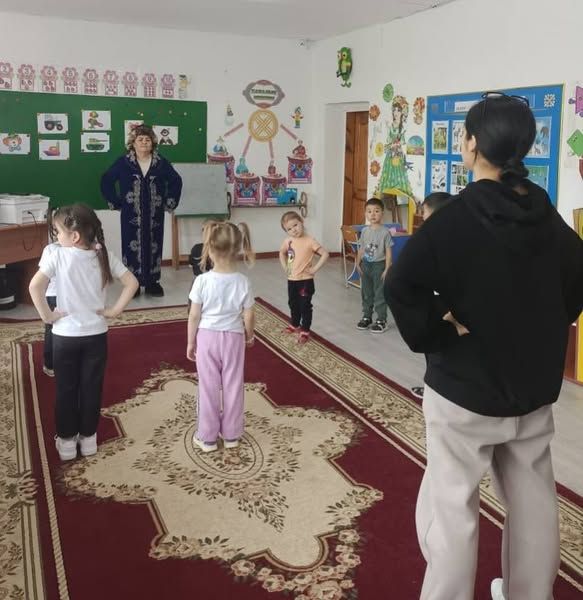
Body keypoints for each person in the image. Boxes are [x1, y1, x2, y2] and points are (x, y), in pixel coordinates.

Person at [385, 92, 583, 600]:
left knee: (452, 506)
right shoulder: (547, 217)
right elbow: (575, 281)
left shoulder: (453, 218)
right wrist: (542, 327)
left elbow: (400, 284)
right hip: (531, 388)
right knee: (534, 501)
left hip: (464, 389)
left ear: (471, 145)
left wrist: (438, 332)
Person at [29, 204, 138, 461]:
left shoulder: (56, 255)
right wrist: (114, 311)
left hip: (64, 337)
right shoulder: (102, 254)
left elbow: (35, 287)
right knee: (91, 388)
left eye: (58, 232)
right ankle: (88, 439)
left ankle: (67, 443)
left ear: (75, 236)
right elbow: (132, 282)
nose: (56, 237)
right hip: (96, 336)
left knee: (66, 389)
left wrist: (48, 317)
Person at [186, 221, 255, 453]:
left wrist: (191, 342)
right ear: (237, 250)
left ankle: (207, 438)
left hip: (207, 338)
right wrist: (249, 336)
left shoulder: (202, 281)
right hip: (234, 338)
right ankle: (232, 435)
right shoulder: (243, 281)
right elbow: (249, 315)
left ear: (210, 250)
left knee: (208, 386)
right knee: (233, 384)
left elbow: (194, 315)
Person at [100, 124, 182, 298]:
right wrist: (116, 202)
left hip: (154, 214)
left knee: (154, 245)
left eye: (147, 139)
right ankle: (134, 284)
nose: (144, 142)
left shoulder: (160, 163)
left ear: (153, 143)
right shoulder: (124, 163)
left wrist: (169, 202)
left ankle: (153, 282)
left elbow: (176, 180)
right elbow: (107, 180)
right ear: (133, 143)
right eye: (140, 139)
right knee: (131, 246)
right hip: (131, 214)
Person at [410, 192, 452, 399]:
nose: (423, 218)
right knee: (434, 350)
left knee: (439, 350)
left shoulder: (443, 239)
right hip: (435, 300)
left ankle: (436, 390)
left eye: (425, 213)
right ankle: (432, 387)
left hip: (444, 302)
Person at [279, 211, 329, 344]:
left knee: (305, 306)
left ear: (301, 221)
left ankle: (305, 330)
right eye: (289, 229)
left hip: (305, 281)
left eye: (295, 225)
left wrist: (314, 269)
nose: (293, 230)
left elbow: (325, 254)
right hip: (292, 279)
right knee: (293, 303)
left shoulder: (310, 240)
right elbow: (282, 253)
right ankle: (295, 324)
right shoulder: (288, 241)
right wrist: (285, 267)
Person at [355, 198, 394, 333]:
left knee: (379, 293)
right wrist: (357, 263)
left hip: (379, 266)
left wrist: (387, 268)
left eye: (376, 211)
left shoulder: (385, 232)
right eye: (369, 211)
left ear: (382, 213)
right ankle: (367, 316)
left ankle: (381, 320)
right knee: (366, 293)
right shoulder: (365, 231)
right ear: (365, 213)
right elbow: (361, 248)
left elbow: (388, 252)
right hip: (366, 265)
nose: (373, 214)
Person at [41, 208, 59, 377]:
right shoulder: (79, 248)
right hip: (68, 295)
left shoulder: (50, 250)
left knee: (51, 328)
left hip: (52, 295)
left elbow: (42, 280)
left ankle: (50, 365)